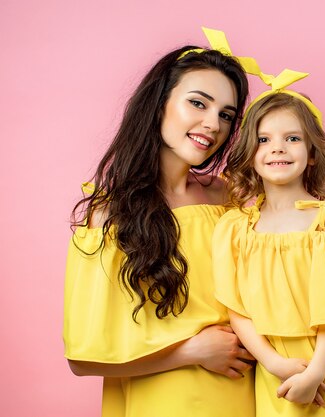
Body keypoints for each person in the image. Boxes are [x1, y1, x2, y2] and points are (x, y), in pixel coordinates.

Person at [63, 29, 256, 417]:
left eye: (225, 115)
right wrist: (192, 352)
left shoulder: (230, 200)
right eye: (197, 103)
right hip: (164, 402)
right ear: (159, 103)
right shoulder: (109, 215)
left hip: (244, 396)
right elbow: (82, 360)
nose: (212, 124)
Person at [213, 67, 325, 416]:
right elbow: (236, 308)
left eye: (292, 138)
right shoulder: (236, 227)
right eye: (264, 139)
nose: (278, 149)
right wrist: (273, 362)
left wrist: (315, 372)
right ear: (250, 152)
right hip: (270, 368)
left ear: (312, 152)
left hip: (324, 364)